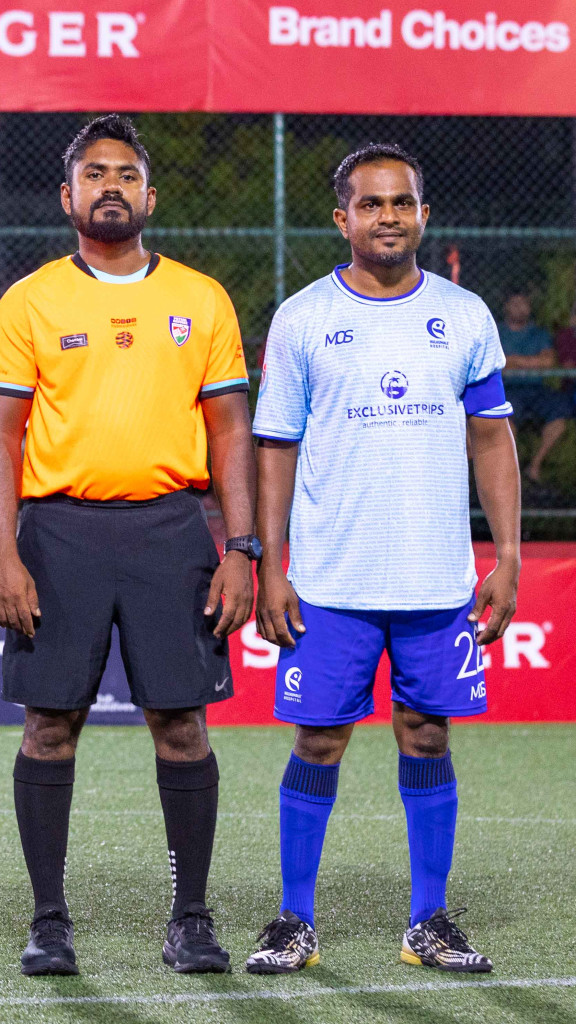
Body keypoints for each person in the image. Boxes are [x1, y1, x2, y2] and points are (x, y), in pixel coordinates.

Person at [0, 114, 255, 977]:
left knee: (181, 723)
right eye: (93, 173)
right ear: (67, 196)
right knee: (49, 724)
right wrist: (5, 554)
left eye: (125, 174)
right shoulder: (30, 299)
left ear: (149, 195)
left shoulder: (201, 299)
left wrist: (241, 546)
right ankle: (49, 919)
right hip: (57, 535)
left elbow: (231, 432)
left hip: (171, 531)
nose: (110, 186)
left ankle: (192, 917)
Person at [247, 143, 520, 975]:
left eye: (402, 202)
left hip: (437, 580)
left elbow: (491, 437)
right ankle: (295, 921)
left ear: (424, 214)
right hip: (330, 581)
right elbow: (275, 449)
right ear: (343, 218)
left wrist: (506, 555)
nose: (388, 217)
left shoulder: (466, 315)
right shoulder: (301, 318)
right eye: (371, 204)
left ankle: (427, 922)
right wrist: (270, 563)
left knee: (427, 735)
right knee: (319, 741)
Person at [497, 293, 566, 483]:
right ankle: (513, 473)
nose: (520, 307)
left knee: (560, 420)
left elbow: (548, 361)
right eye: (515, 303)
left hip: (536, 390)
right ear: (506, 307)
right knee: (506, 424)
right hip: (507, 390)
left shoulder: (539, 333)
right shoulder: (497, 332)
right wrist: (531, 362)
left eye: (524, 303)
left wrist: (514, 360)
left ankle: (534, 465)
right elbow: (498, 363)